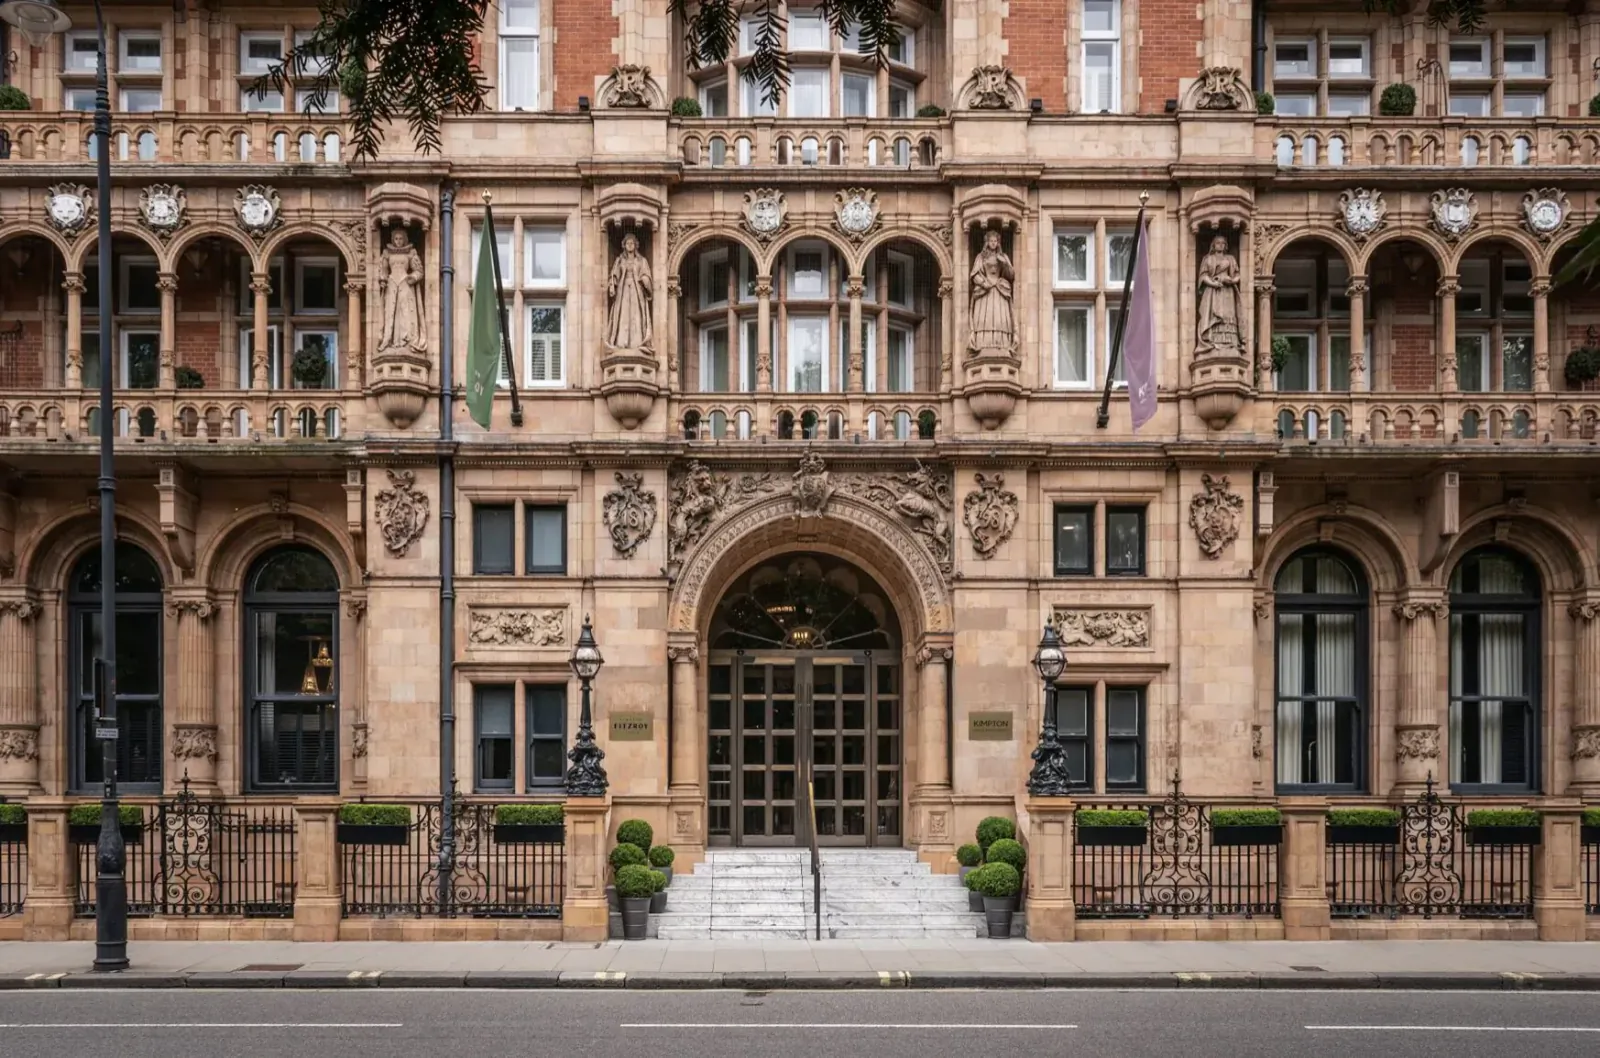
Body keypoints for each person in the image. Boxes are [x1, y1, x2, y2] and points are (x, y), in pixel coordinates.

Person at [967, 230, 1016, 354]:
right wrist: (984, 283)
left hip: (999, 291)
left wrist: (1004, 263)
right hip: (985, 291)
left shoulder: (1003, 257)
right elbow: (974, 274)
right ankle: (982, 344)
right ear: (987, 242)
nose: (993, 243)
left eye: (995, 241)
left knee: (1000, 318)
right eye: (991, 241)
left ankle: (1002, 344)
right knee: (985, 318)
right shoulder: (981, 257)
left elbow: (1011, 275)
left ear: (998, 242)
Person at [606, 232, 653, 351]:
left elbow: (646, 275)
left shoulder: (642, 260)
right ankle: (621, 342)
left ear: (636, 245)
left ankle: (636, 342)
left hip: (637, 291)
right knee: (623, 314)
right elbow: (614, 275)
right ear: (624, 245)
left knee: (636, 315)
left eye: (632, 243)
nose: (630, 245)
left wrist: (644, 280)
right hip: (623, 291)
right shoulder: (620, 260)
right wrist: (612, 284)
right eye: (628, 243)